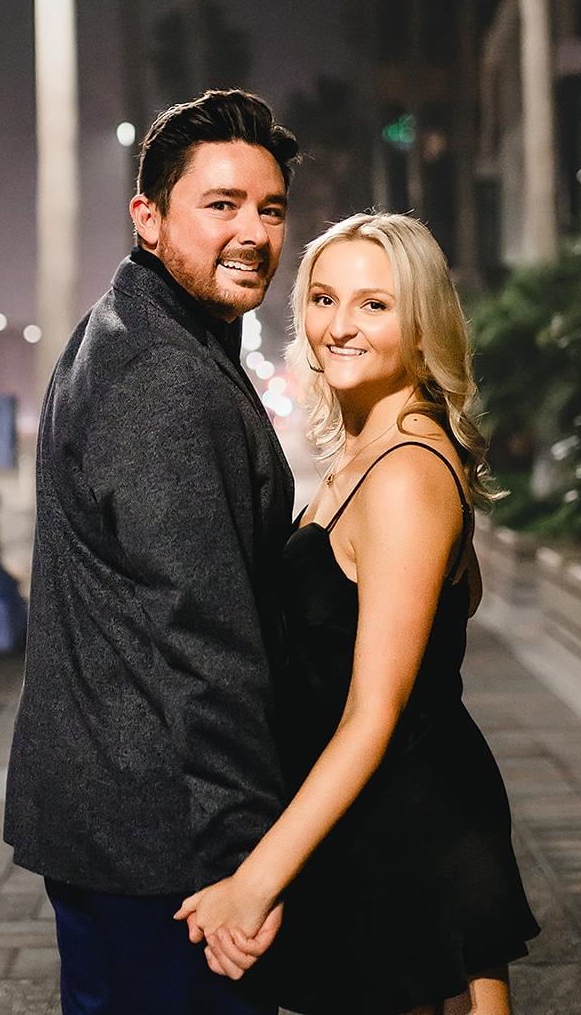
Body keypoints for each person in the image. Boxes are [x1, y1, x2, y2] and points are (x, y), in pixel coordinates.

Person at [176, 212, 541, 1015]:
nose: (339, 325)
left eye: (374, 305)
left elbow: (375, 713)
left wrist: (253, 884)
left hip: (410, 829)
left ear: (423, 324)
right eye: (324, 299)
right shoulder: (365, 452)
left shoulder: (407, 472)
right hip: (366, 821)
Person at [3, 90, 300, 1015]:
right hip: (168, 844)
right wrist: (246, 861)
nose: (253, 232)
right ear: (149, 217)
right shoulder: (167, 381)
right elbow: (204, 638)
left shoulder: (126, 327)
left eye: (271, 208)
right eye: (221, 204)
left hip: (104, 818)